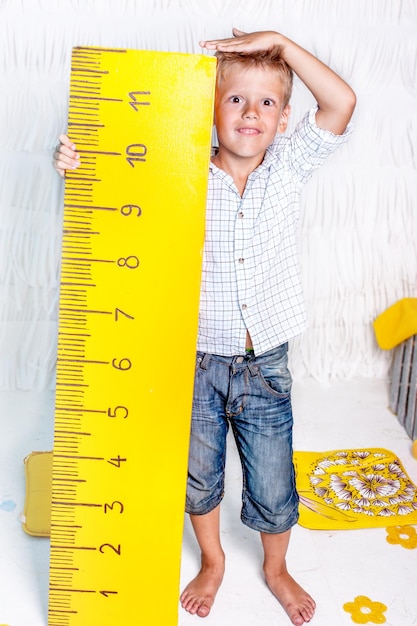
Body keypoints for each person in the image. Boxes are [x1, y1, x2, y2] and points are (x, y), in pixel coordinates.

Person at [54, 28, 356, 625]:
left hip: (264, 362)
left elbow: (341, 103)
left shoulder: (288, 167)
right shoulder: (180, 170)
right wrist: (78, 161)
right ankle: (213, 561)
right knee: (199, 476)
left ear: (285, 116)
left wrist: (282, 44)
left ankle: (275, 568)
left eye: (267, 102)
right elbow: (117, 188)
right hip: (193, 357)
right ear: (210, 109)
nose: (251, 113)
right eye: (236, 99)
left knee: (273, 481)